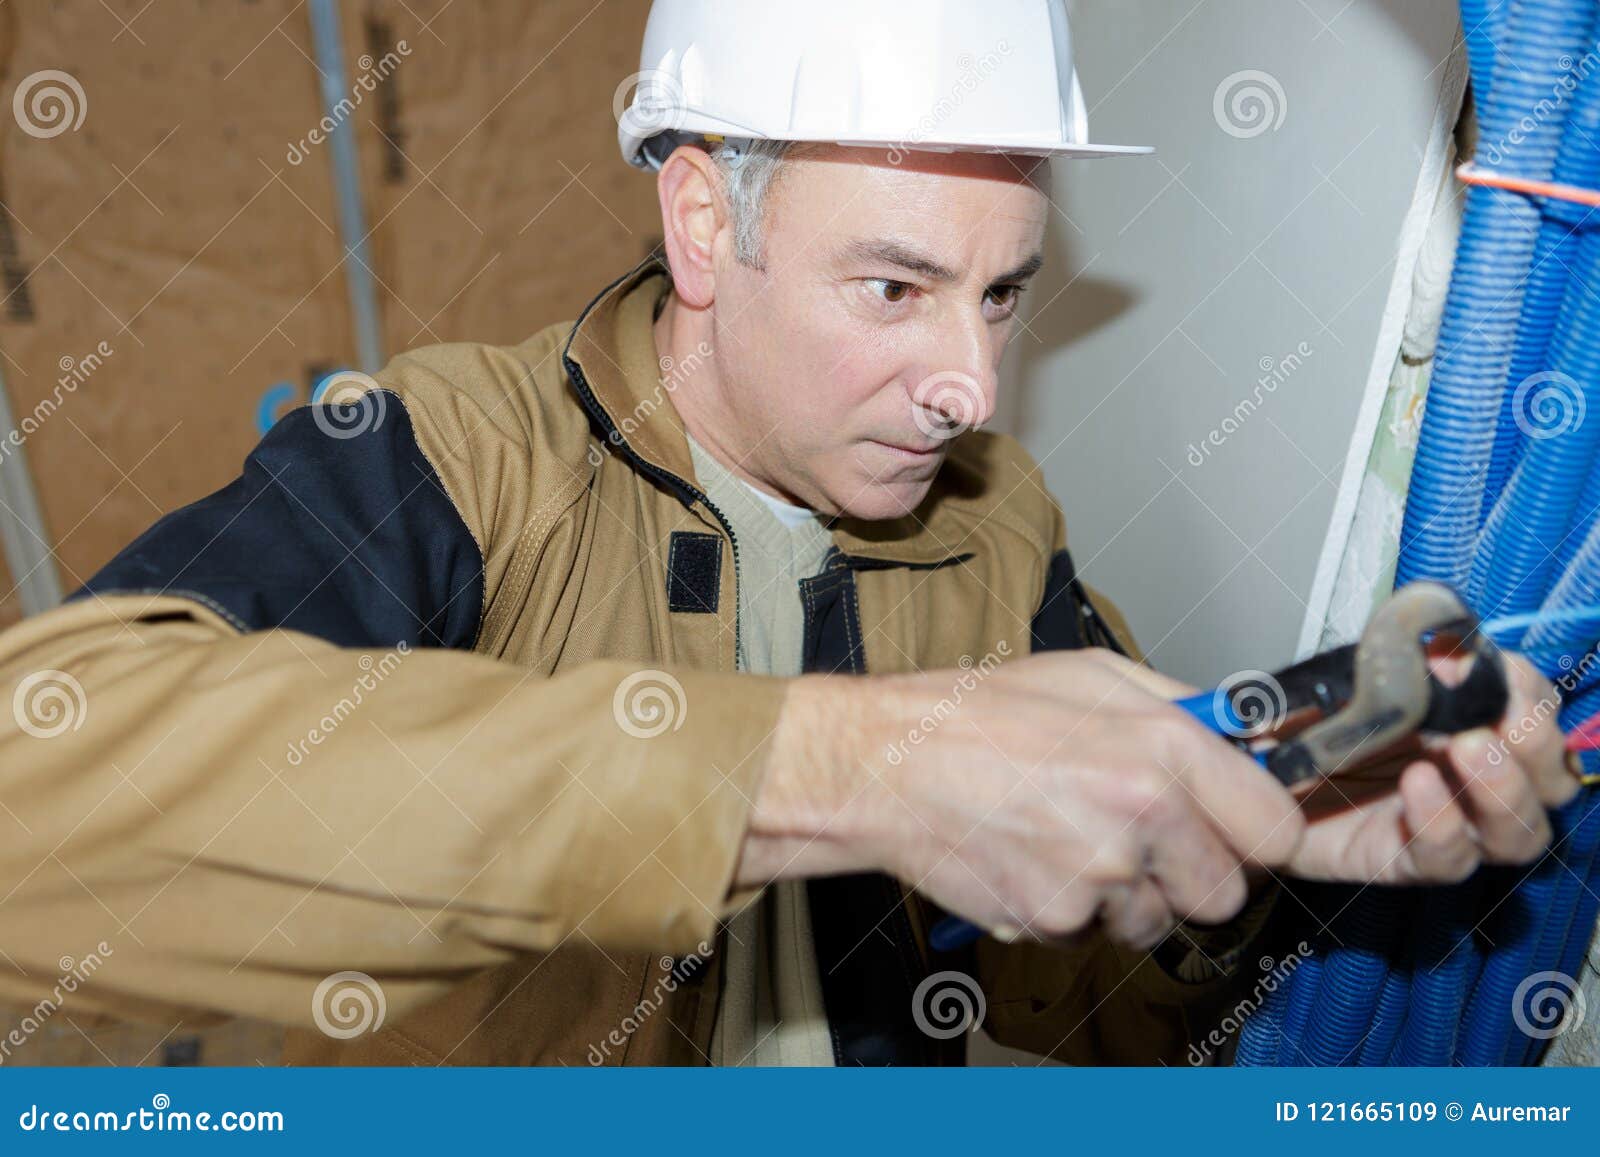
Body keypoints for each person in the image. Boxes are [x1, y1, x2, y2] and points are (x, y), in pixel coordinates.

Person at [0, 0, 1578, 1067]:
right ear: (704, 225)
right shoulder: (449, 456)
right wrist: (840, 762)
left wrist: (1268, 864)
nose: (970, 385)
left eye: (1006, 291)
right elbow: (40, 805)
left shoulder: (993, 527)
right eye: (893, 287)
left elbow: (1081, 983)